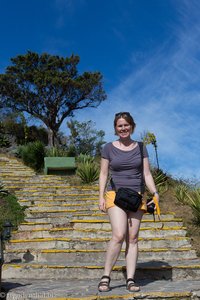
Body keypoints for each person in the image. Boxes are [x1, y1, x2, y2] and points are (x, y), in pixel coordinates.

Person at [98, 112, 159, 292]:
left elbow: (146, 174)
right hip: (115, 195)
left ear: (132, 126)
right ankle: (106, 276)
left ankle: (130, 279)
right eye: (120, 126)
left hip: (136, 196)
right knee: (118, 234)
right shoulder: (108, 148)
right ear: (115, 128)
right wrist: (100, 196)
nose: (123, 128)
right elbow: (103, 174)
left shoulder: (141, 147)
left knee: (132, 238)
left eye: (126, 125)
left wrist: (155, 193)